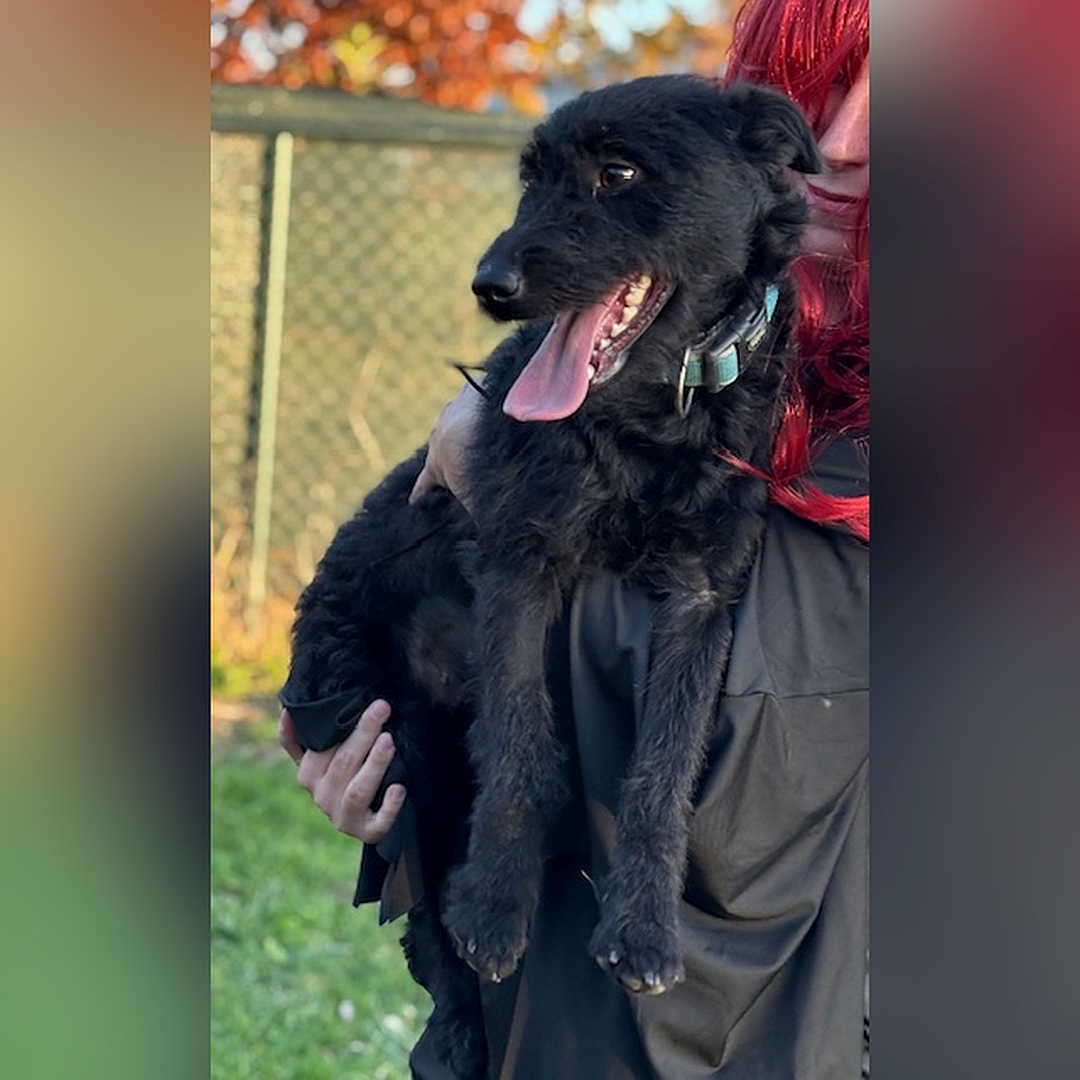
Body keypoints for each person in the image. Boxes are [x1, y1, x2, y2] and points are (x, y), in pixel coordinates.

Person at [279, 0, 869, 1075]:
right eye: (828, 85)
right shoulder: (704, 350)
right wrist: (352, 736)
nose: (848, 139)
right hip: (546, 979)